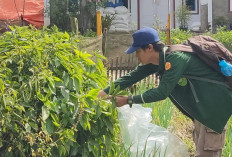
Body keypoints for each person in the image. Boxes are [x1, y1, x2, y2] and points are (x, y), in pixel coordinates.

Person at [98, 28, 232, 157]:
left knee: (207, 154)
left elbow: (162, 92)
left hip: (212, 111)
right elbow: (130, 78)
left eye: (138, 51)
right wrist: (99, 95)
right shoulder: (159, 61)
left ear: (149, 48)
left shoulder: (176, 58)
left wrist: (128, 100)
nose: (136, 56)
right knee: (201, 151)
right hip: (201, 111)